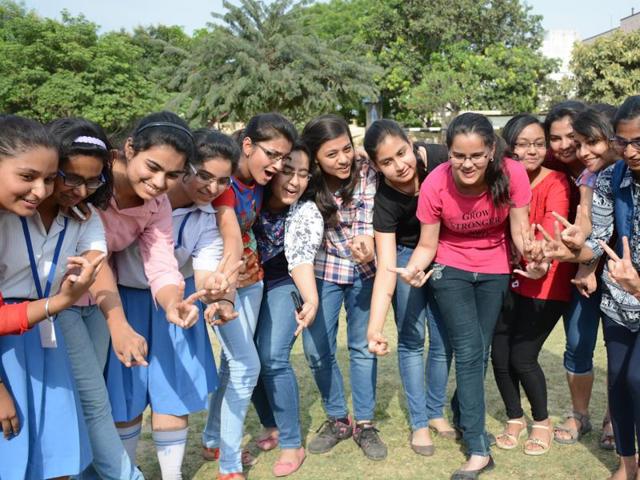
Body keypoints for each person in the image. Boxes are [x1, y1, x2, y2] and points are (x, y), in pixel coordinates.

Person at [396, 112, 535, 479]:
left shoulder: (513, 174)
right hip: (450, 268)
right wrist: (415, 268)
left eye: (476, 155)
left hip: (495, 269)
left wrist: (534, 256)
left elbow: (520, 234)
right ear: (449, 151)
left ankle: (462, 411)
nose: (467, 163)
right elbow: (428, 244)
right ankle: (478, 447)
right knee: (471, 352)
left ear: (491, 150)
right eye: (459, 155)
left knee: (481, 349)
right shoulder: (435, 184)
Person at [107, 128, 240, 479]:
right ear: (185, 167)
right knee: (125, 393)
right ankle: (126, 469)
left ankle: (171, 474)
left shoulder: (208, 217)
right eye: (203, 176)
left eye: (222, 181)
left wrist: (216, 290)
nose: (211, 188)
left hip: (175, 302)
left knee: (173, 392)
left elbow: (207, 267)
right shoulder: (142, 198)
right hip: (125, 299)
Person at [90, 111, 204, 467]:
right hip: (68, 295)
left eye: (172, 175)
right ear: (128, 149)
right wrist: (119, 324)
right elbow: (90, 254)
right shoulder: (92, 182)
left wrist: (172, 303)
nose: (158, 181)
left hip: (95, 297)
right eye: (152, 167)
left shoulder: (157, 204)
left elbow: (160, 261)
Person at [0, 114, 107, 479]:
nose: (42, 190)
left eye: (48, 179)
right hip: (12, 338)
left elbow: (95, 256)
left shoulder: (80, 216)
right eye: (29, 177)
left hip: (44, 332)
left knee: (57, 451)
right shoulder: (8, 218)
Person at [47, 117, 149, 480]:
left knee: (91, 399)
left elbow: (97, 263)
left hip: (87, 308)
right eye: (71, 177)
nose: (81, 189)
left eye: (93, 180)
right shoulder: (20, 214)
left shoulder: (85, 215)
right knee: (90, 400)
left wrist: (116, 321)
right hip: (50, 315)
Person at [201, 113, 297, 480]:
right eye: (270, 155)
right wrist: (226, 277)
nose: (275, 166)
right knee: (246, 366)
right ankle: (228, 465)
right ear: (247, 145)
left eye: (282, 160)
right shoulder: (222, 183)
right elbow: (227, 230)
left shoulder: (259, 183)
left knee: (232, 365)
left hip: (252, 283)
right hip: (221, 286)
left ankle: (212, 438)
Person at [558, 95, 640, 480]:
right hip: (620, 300)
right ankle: (627, 465)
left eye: (638, 141)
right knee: (620, 383)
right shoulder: (610, 178)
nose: (631, 151)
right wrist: (569, 249)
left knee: (637, 379)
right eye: (624, 142)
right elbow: (598, 239)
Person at [363, 119, 455, 456]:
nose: (399, 165)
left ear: (411, 143)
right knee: (413, 339)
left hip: (446, 252)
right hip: (404, 259)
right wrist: (375, 327)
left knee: (443, 338)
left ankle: (435, 411)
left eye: (402, 154)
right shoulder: (385, 200)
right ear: (375, 166)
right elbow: (387, 267)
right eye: (387, 162)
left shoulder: (441, 159)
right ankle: (419, 422)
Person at [300, 114, 386, 461]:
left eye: (346, 149)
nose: (343, 159)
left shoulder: (366, 172)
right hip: (323, 271)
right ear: (316, 157)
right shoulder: (306, 181)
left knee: (363, 347)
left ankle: (364, 423)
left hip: (364, 271)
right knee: (316, 347)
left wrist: (366, 241)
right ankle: (338, 418)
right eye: (332, 154)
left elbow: (367, 215)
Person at [490, 114, 573, 455]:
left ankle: (541, 421)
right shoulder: (499, 180)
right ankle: (514, 417)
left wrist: (540, 256)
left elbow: (554, 228)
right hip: (506, 278)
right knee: (499, 354)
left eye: (539, 144)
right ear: (508, 147)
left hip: (547, 280)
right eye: (522, 144)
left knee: (523, 356)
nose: (532, 151)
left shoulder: (558, 182)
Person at [250, 142, 323, 476]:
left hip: (283, 281)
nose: (295, 181)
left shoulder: (305, 211)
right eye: (288, 170)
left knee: (273, 357)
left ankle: (293, 443)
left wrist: (311, 299)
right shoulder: (251, 197)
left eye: (303, 174)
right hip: (248, 283)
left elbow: (300, 259)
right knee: (244, 359)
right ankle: (271, 424)